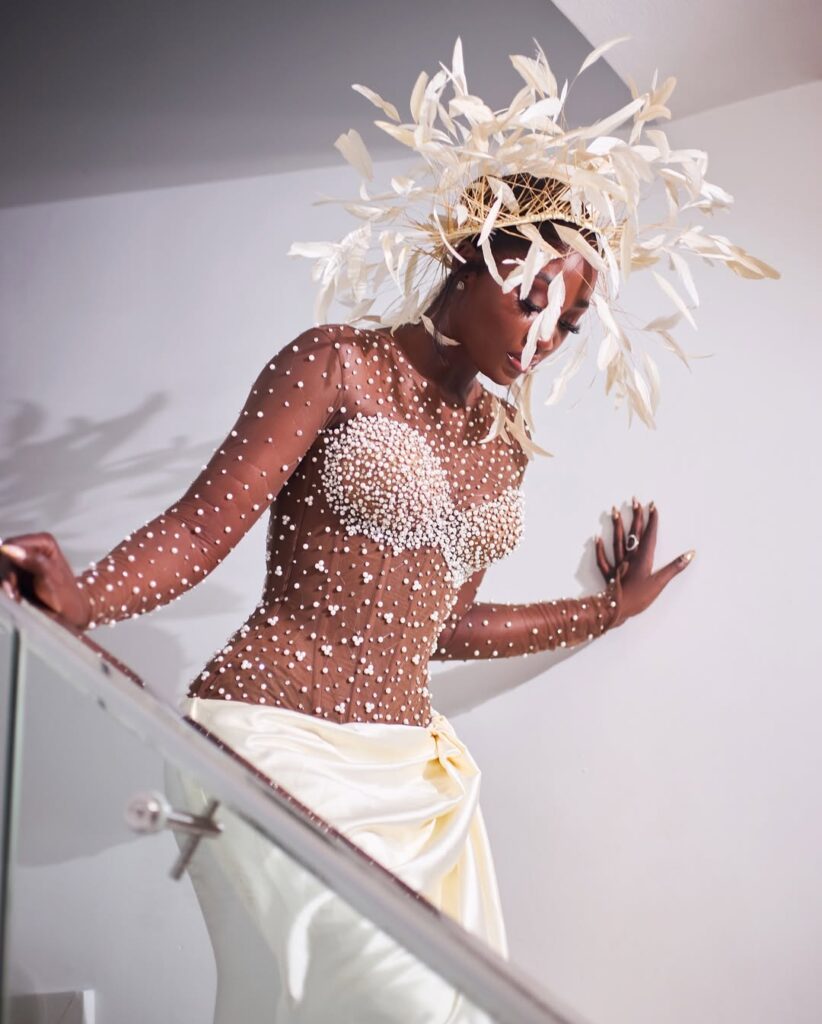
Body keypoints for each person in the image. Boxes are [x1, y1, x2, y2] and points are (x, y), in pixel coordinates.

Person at [0, 35, 777, 1024]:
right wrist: (83, 603)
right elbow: (202, 531)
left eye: (568, 324)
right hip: (274, 743)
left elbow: (444, 624)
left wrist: (607, 611)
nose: (542, 337)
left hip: (415, 782)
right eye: (532, 294)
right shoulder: (336, 363)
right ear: (472, 256)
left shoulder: (499, 447)